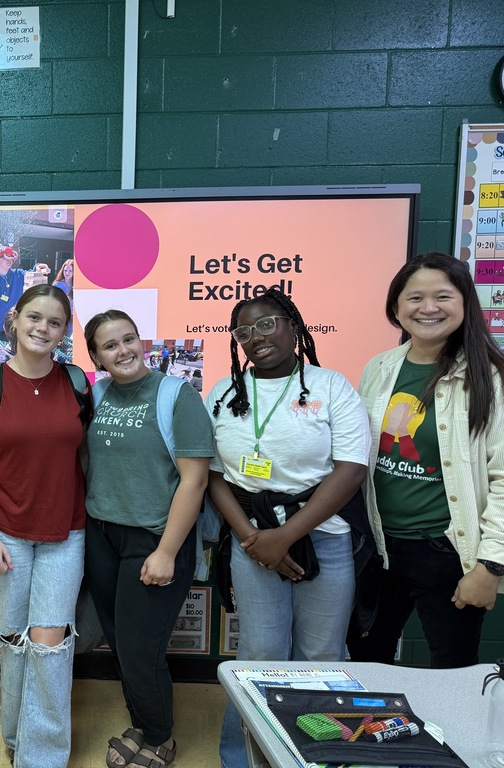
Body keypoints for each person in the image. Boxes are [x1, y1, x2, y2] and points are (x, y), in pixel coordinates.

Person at [206, 287, 370, 768]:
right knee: (259, 652)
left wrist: (287, 535)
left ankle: (316, 756)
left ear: (293, 326)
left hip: (325, 537)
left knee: (322, 653)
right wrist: (253, 540)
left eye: (266, 324)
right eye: (243, 331)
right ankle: (244, 757)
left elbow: (351, 468)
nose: (256, 337)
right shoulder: (223, 392)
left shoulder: (331, 386)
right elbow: (214, 474)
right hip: (251, 537)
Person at [347, 253, 504, 668]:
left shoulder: (490, 378)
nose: (428, 308)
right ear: (396, 308)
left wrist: (490, 567)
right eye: (414, 297)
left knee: (455, 671)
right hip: (379, 548)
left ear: (465, 302)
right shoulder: (379, 368)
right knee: (367, 661)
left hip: (446, 552)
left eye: (443, 297)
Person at [0, 284, 88, 768]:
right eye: (35, 317)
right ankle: (14, 736)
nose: (43, 329)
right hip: (5, 533)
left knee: (50, 647)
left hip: (66, 532)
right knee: (12, 640)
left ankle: (42, 756)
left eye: (54, 322)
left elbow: (85, 453)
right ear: (14, 318)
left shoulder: (76, 382)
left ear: (64, 330)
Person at [83, 310, 213, 768]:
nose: (124, 351)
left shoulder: (176, 395)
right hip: (102, 536)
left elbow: (194, 481)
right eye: (111, 345)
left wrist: (166, 552)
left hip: (154, 539)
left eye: (130, 339)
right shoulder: (95, 394)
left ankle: (160, 738)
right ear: (96, 357)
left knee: (142, 648)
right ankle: (142, 723)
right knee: (120, 643)